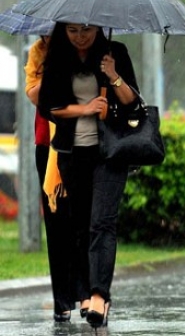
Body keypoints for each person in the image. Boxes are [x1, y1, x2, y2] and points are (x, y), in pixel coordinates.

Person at [38, 22, 139, 327]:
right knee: (80, 225)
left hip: (109, 153)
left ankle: (99, 296)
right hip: (73, 154)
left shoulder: (115, 52)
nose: (80, 36)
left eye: (86, 29)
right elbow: (48, 107)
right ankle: (84, 293)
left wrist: (113, 75)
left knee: (102, 223)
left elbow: (132, 102)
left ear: (98, 28)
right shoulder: (58, 58)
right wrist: (83, 110)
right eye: (72, 31)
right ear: (62, 32)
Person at [25, 36, 87, 322]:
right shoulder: (38, 53)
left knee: (83, 220)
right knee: (56, 221)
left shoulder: (86, 50)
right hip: (48, 146)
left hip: (84, 142)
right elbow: (34, 94)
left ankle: (86, 294)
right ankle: (62, 299)